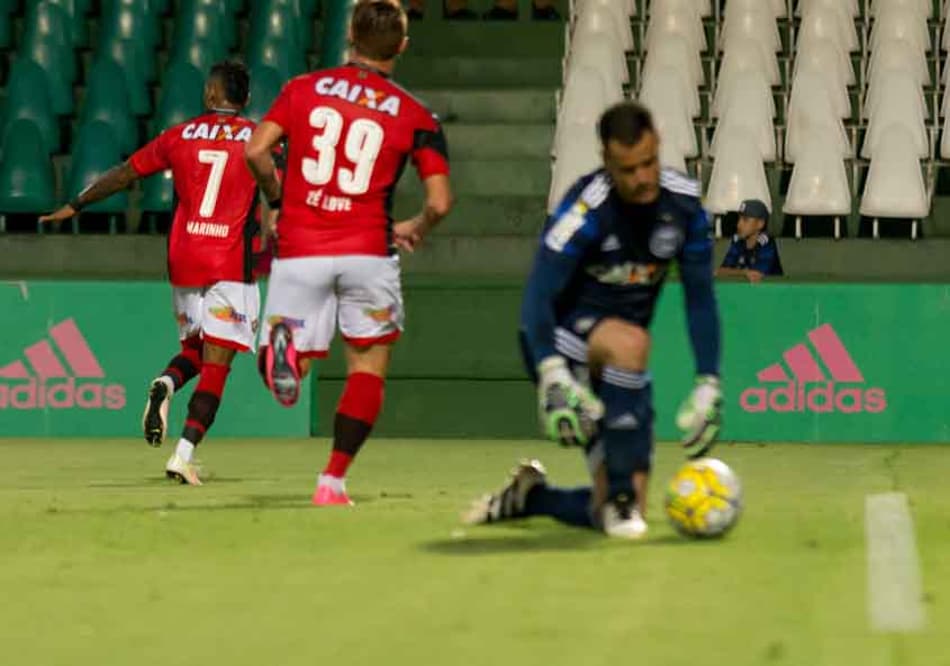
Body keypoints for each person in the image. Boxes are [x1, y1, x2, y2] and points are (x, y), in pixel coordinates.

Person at [464, 102, 722, 539]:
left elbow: (700, 298)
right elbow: (537, 298)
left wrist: (708, 382)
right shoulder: (585, 209)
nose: (641, 178)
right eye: (628, 170)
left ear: (658, 145)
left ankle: (532, 497)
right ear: (606, 162)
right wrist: (550, 371)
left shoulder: (683, 206)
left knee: (615, 515)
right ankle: (620, 496)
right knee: (632, 342)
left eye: (648, 163)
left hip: (620, 360)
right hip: (561, 342)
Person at [244, 0, 453, 506]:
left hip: (301, 246)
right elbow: (441, 201)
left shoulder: (302, 90)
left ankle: (287, 351)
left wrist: (278, 200)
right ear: (402, 46)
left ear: (349, 39)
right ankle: (332, 481)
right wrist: (417, 225)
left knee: (296, 355)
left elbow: (255, 151)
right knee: (366, 367)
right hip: (368, 251)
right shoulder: (416, 115)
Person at [40, 61, 266, 486]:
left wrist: (77, 203)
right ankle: (183, 455)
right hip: (229, 261)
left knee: (198, 351)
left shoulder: (178, 136)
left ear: (210, 96)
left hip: (184, 260)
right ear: (246, 100)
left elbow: (126, 173)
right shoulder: (258, 138)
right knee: (217, 366)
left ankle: (166, 381)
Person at [716, 198, 784, 283]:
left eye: (745, 220)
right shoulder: (737, 240)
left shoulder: (766, 243)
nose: (738, 225)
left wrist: (737, 272)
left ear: (760, 224)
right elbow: (720, 271)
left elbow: (757, 274)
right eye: (739, 219)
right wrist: (744, 272)